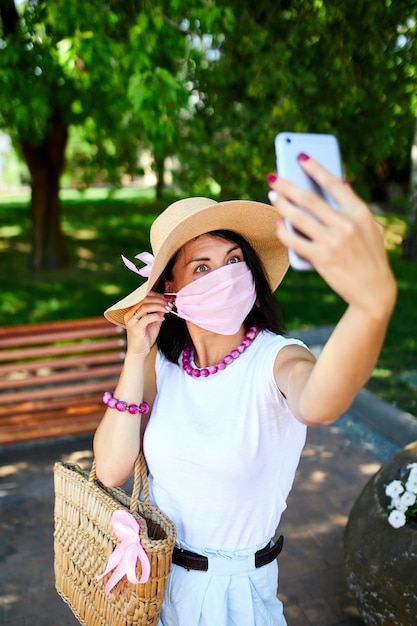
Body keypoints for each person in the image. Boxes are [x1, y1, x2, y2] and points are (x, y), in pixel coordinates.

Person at [93, 154, 396, 626]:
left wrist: (369, 308)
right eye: (202, 268)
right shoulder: (165, 366)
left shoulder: (275, 359)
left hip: (235, 600)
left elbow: (319, 398)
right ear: (167, 288)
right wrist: (135, 356)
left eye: (234, 260)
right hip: (153, 587)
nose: (226, 276)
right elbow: (110, 468)